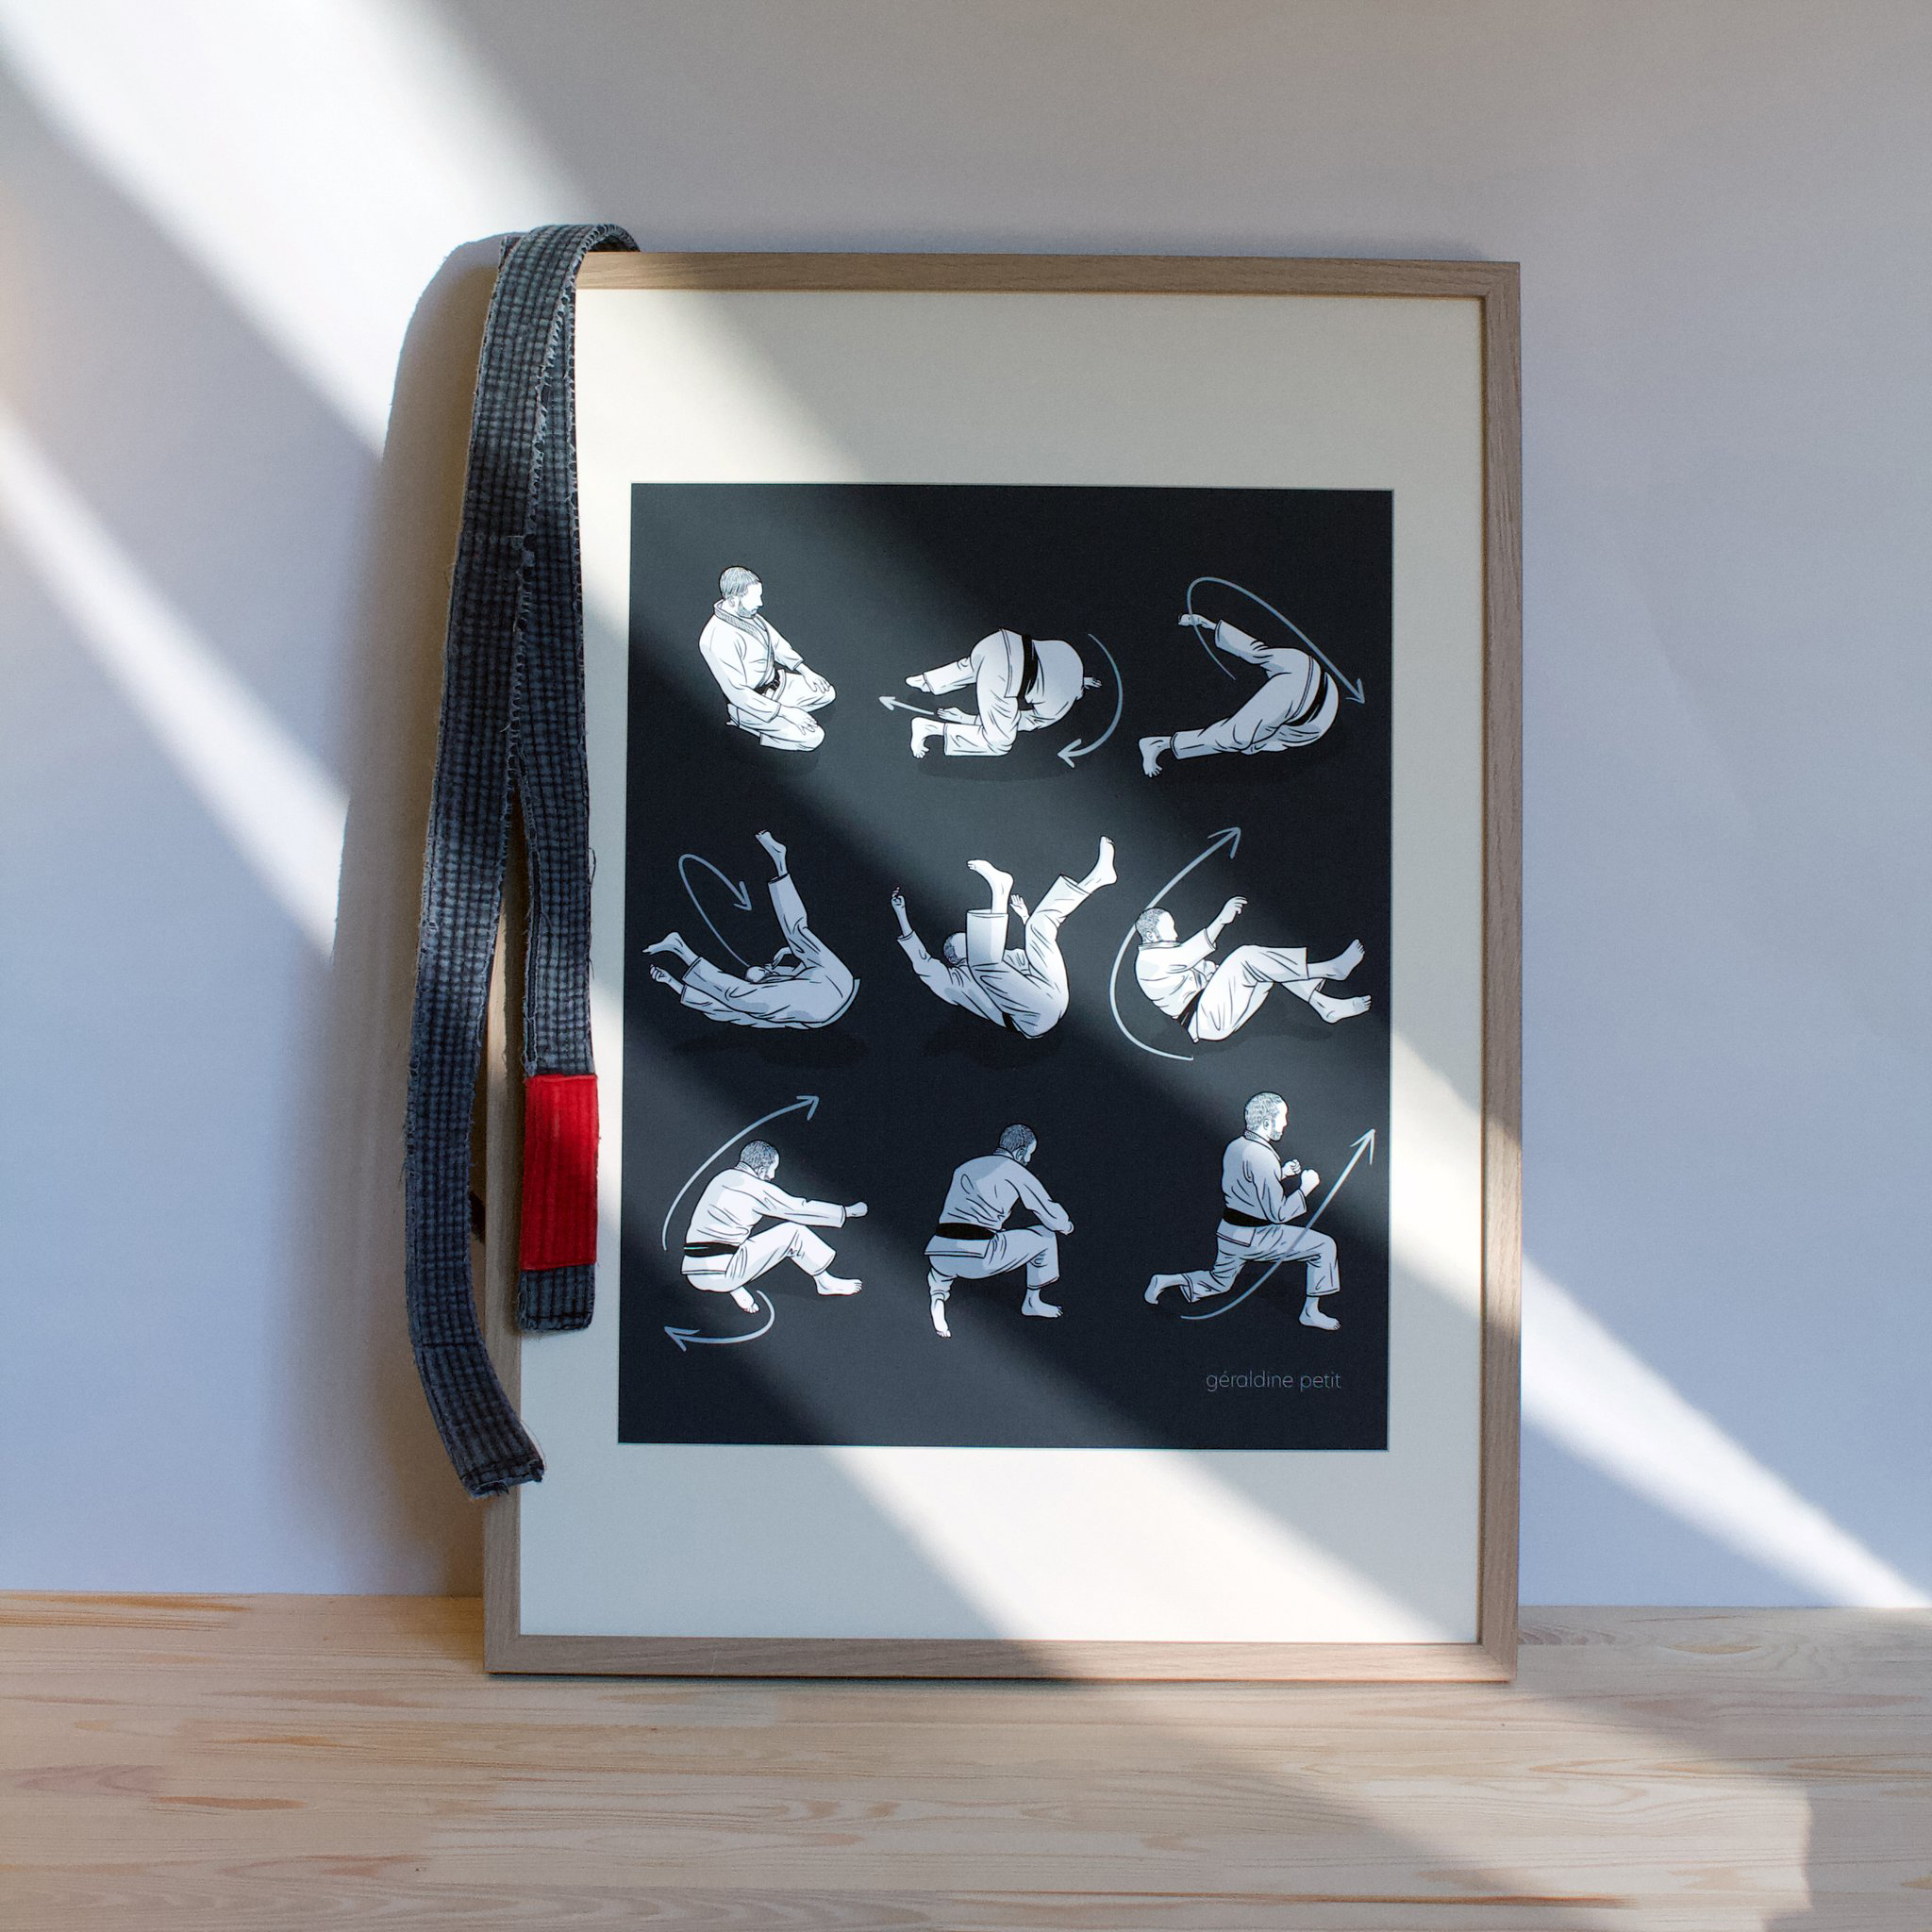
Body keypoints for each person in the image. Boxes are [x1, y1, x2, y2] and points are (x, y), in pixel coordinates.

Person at [1145, 1092, 1341, 1328]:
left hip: (1229, 1232)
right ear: (1266, 1122)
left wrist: (1281, 1174)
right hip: (1258, 1237)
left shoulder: (1236, 1146)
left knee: (1220, 1282)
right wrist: (1305, 1188)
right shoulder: (1263, 1156)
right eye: (1282, 1117)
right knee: (1323, 1246)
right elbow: (1278, 1214)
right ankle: (1310, 1312)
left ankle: (1165, 1281)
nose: (1285, 1124)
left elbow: (1247, 1183)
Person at [891, 839, 1116, 1038]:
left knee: (1039, 924)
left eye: (972, 942)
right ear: (954, 959)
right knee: (982, 965)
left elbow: (1030, 959)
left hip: (1052, 992)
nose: (975, 943)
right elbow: (923, 962)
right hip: (1034, 1019)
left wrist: (1026, 919)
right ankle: (999, 892)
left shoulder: (1000, 962)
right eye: (967, 948)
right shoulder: (955, 982)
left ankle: (1098, 878)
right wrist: (901, 914)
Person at [646, 832, 857, 1028]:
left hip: (831, 990)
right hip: (836, 984)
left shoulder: (774, 998)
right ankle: (780, 863)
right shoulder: (777, 997)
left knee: (745, 993)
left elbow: (726, 1005)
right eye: (760, 973)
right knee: (797, 932)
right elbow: (725, 1006)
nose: (758, 971)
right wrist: (671, 980)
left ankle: (779, 861)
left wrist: (674, 977)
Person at [1133, 897, 1369, 1041]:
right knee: (1246, 956)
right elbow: (1190, 953)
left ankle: (1324, 1005)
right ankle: (1330, 970)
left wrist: (1228, 976)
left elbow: (1206, 968)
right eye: (1169, 929)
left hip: (1216, 1011)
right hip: (1205, 1019)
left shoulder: (1165, 953)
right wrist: (1221, 920)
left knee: (1267, 968)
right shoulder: (1150, 962)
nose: (1175, 934)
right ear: (1152, 935)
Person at [1139, 612, 1339, 775]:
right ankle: (1160, 743)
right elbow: (1249, 741)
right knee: (1236, 737)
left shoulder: (1302, 734)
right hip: (1300, 699)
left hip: (1305, 665)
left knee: (1258, 652)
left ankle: (1208, 624)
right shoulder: (1294, 737)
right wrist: (1250, 746)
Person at [924, 1124, 1072, 1339]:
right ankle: (1032, 1302)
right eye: (1029, 1154)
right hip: (979, 1256)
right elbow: (1049, 1214)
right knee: (1045, 1236)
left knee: (943, 1268)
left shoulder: (965, 1167)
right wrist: (1066, 1226)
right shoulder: (1017, 1172)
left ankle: (938, 1297)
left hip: (939, 1250)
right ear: (1020, 1152)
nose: (1029, 1160)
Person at [680, 1141, 865, 1310]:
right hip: (722, 1272)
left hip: (692, 1271)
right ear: (761, 1169)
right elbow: (799, 1209)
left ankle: (735, 1288)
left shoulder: (722, 1178)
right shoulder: (755, 1187)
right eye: (772, 1169)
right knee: (794, 1232)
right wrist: (846, 1212)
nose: (773, 1175)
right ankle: (824, 1282)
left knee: (730, 1238)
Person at [895, 628, 1095, 758]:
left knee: (975, 665)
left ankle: (927, 681)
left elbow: (1057, 673)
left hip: (999, 642)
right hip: (1005, 677)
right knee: (1000, 741)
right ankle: (929, 728)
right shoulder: (1059, 708)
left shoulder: (1071, 657)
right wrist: (966, 719)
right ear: (1078, 694)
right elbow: (1019, 722)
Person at [698, 566, 836, 751]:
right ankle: (749, 733)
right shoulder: (715, 638)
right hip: (751, 705)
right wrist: (788, 713)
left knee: (827, 692)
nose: (760, 603)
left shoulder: (750, 615)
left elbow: (778, 645)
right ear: (732, 600)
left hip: (778, 687)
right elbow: (738, 694)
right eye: (754, 598)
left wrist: (806, 672)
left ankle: (785, 717)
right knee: (814, 737)